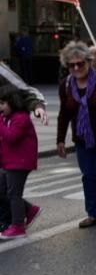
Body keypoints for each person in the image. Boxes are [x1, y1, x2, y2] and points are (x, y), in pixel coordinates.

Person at [56, 42, 96, 228]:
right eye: (71, 65)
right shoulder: (66, 85)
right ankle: (93, 214)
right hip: (82, 138)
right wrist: (60, 139)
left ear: (89, 61)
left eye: (80, 63)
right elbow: (64, 113)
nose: (76, 68)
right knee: (88, 176)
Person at [0, 85, 38, 239]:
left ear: (13, 102)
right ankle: (29, 210)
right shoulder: (7, 119)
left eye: (2, 103)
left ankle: (18, 226)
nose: (0, 107)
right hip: (9, 162)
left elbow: (11, 137)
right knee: (3, 191)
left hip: (20, 163)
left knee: (14, 194)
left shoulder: (21, 118)